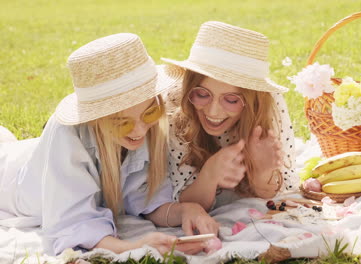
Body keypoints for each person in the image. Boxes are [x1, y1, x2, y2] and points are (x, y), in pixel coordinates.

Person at [0, 33, 219, 256]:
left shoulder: (149, 131)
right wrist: (134, 247)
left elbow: (144, 199)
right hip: (8, 178)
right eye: (122, 123)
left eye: (150, 112)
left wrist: (187, 210)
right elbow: (73, 225)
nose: (139, 130)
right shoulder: (67, 135)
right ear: (96, 118)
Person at [162, 21, 296, 211]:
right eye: (202, 94)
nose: (213, 112)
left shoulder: (268, 107)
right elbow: (183, 203)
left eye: (231, 100)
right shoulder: (178, 106)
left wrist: (261, 172)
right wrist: (210, 173)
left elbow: (280, 192)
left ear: (251, 102)